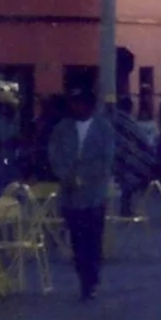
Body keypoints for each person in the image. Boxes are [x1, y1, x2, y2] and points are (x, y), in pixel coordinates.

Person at [47, 89, 115, 302]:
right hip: (70, 195)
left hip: (94, 194)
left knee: (93, 239)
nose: (77, 107)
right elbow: (54, 155)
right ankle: (83, 278)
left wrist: (86, 177)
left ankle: (91, 280)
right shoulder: (62, 129)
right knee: (76, 239)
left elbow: (107, 160)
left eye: (81, 103)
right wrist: (65, 176)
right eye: (74, 103)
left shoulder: (103, 129)